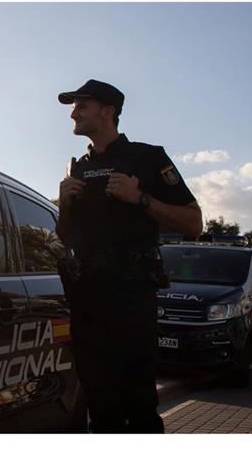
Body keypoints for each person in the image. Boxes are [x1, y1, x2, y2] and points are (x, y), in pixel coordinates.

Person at [55, 79, 202, 433]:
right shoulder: (78, 167)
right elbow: (66, 237)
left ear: (108, 112)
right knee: (99, 405)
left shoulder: (147, 158)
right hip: (87, 298)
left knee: (137, 404)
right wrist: (64, 205)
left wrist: (141, 199)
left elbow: (194, 223)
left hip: (131, 298)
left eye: (82, 105)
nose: (74, 112)